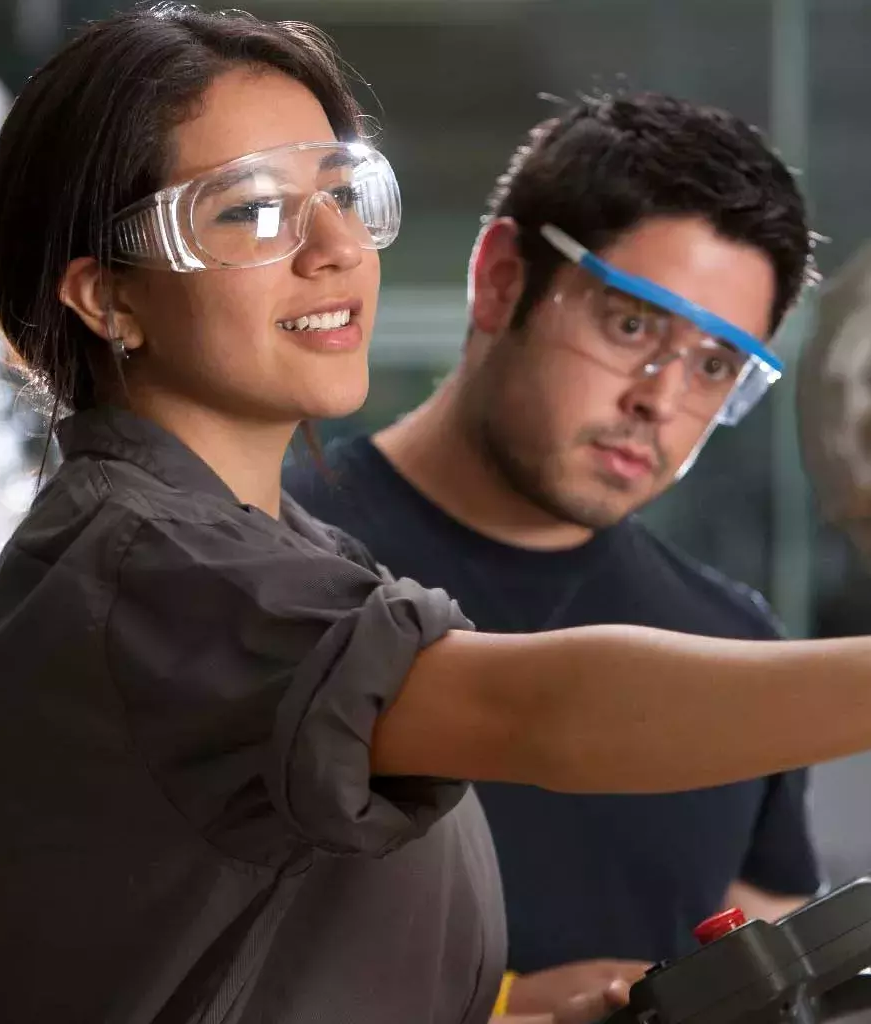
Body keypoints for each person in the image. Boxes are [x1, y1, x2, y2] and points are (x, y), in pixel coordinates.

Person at [0, 6, 871, 1024]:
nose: (334, 248)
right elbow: (539, 714)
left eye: (340, 194)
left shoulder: (283, 550)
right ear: (109, 300)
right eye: (251, 211)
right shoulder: (155, 569)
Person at [285, 92, 825, 1017]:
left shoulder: (737, 653)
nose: (660, 400)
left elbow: (772, 980)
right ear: (500, 279)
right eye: (630, 326)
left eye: (713, 366)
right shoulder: (269, 571)